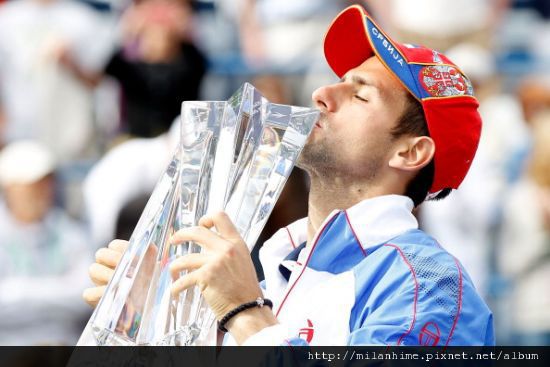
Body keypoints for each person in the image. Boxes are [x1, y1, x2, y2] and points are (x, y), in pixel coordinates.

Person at [83, 5, 494, 346]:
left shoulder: (431, 285)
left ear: (411, 152)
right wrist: (153, 327)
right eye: (338, 81)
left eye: (359, 94)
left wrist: (243, 312)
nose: (321, 94)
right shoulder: (277, 272)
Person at [0, 141, 92, 345]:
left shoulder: (69, 232)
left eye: (46, 182)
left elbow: (85, 295)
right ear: (9, 188)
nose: (40, 191)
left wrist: (20, 292)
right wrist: (57, 292)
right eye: (30, 184)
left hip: (62, 347)